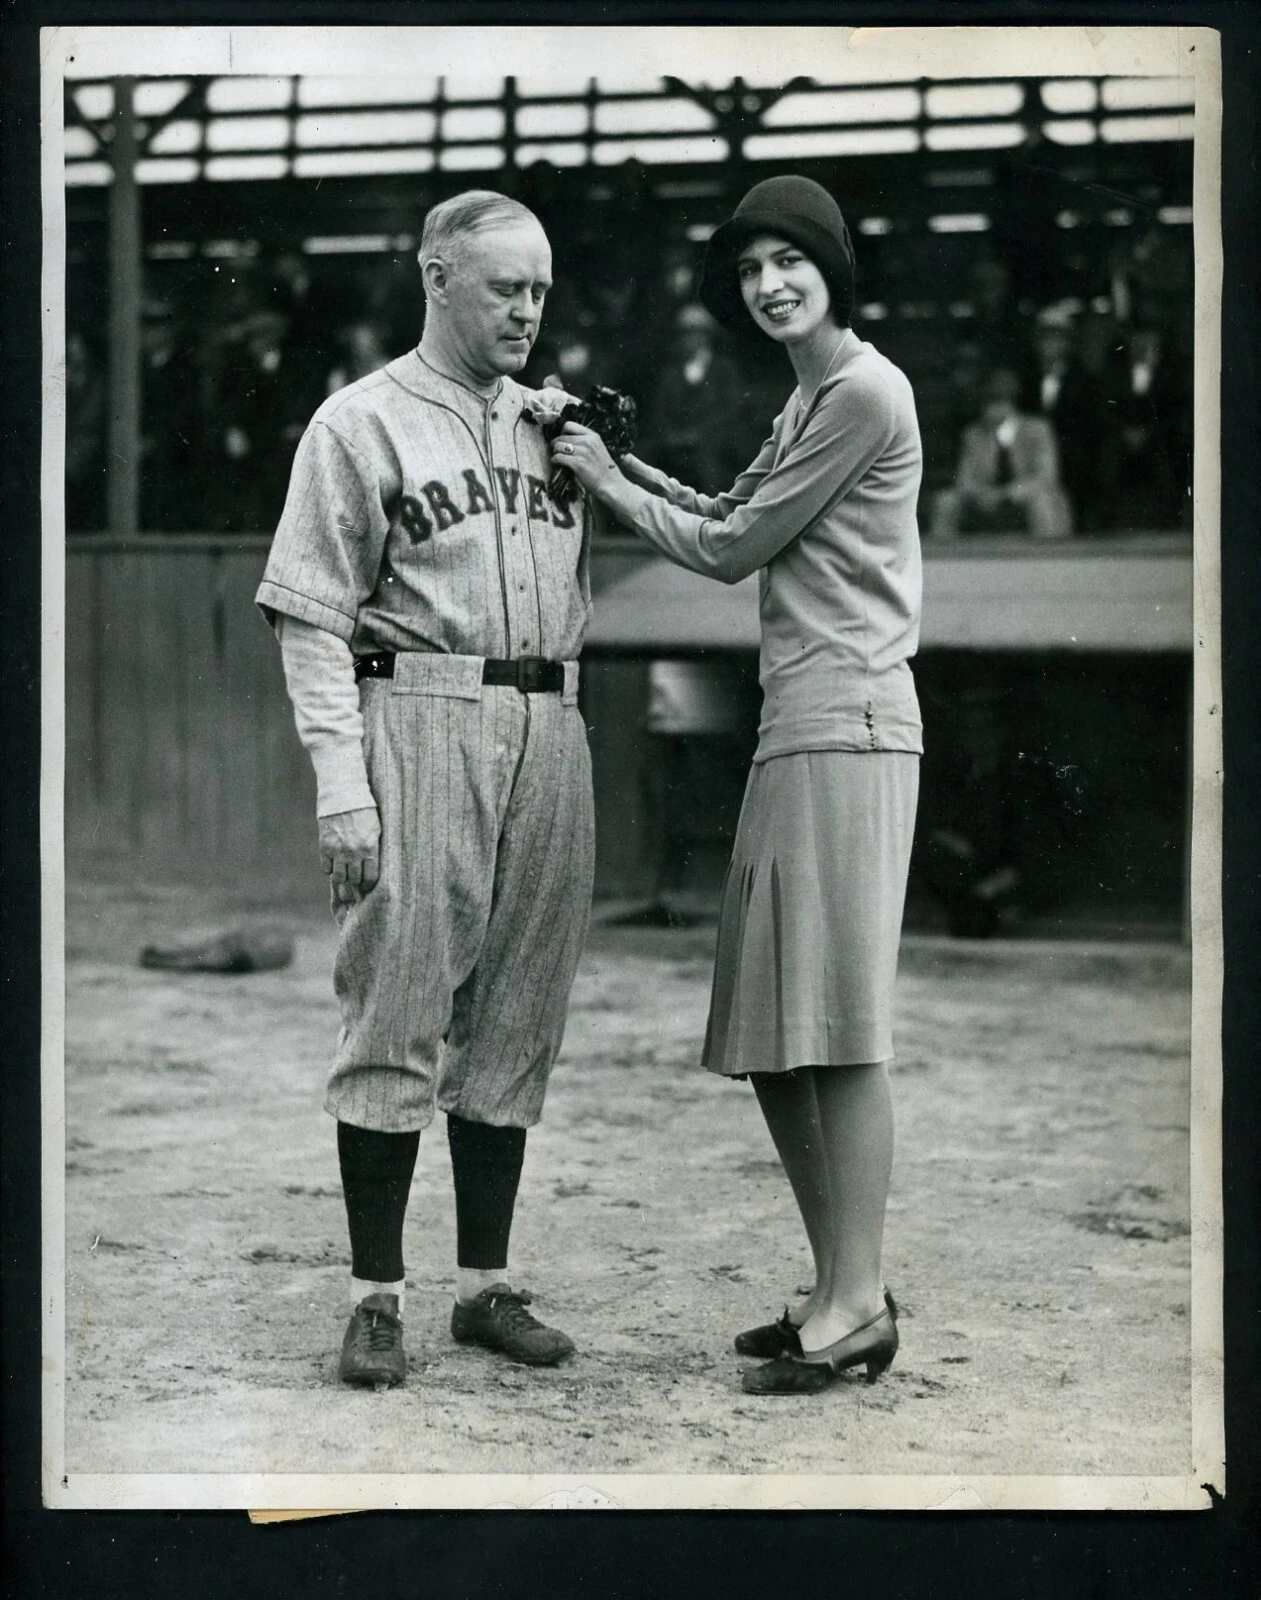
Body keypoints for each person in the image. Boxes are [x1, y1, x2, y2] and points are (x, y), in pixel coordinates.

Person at [552, 175, 920, 1396]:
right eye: (751, 268)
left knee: (840, 1026)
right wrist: (617, 458)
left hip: (848, 722)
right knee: (774, 1033)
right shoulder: (811, 395)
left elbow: (726, 550)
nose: (769, 284)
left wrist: (604, 481)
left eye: (789, 261)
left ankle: (858, 1300)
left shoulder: (861, 390)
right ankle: (834, 1285)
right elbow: (726, 508)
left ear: (831, 267)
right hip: (797, 722)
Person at [256, 191, 597, 1389]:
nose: (527, 308)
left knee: (517, 1009)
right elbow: (308, 617)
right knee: (396, 998)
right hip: (418, 705)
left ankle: (483, 1288)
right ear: (436, 277)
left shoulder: (559, 426)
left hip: (551, 717)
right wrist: (341, 787)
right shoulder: (358, 421)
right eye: (505, 285)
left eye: (541, 289)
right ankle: (374, 1296)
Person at [930, 366, 1072, 540]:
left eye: (1000, 402)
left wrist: (1008, 494)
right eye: (988, 403)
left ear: (1012, 405)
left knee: (1041, 501)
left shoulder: (1038, 430)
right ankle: (946, 559)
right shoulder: (974, 434)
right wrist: (984, 494)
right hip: (985, 499)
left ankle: (1048, 558)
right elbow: (964, 479)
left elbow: (1046, 476)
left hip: (1023, 496)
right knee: (946, 501)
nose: (993, 409)